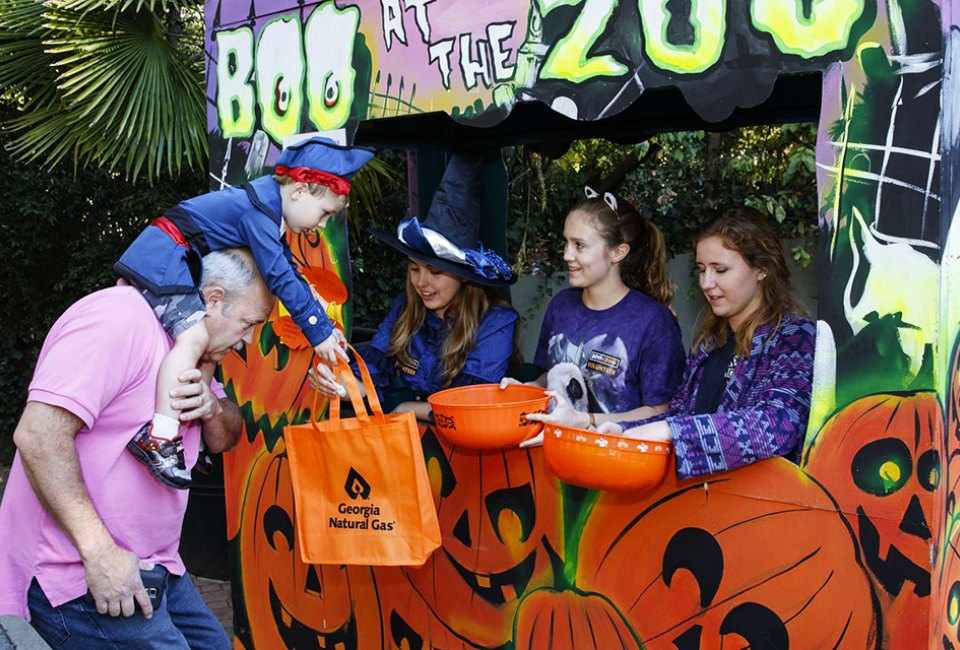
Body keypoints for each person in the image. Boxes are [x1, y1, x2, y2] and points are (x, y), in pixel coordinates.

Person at [0, 248, 273, 649]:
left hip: (156, 563)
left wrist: (213, 407)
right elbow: (39, 435)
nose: (249, 339)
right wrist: (100, 554)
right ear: (213, 300)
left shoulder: (193, 347)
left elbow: (226, 438)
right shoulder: (117, 319)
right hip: (80, 568)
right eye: (249, 323)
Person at [114, 137, 374, 488]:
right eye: (325, 213)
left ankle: (191, 441)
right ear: (299, 190)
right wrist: (318, 333)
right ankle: (160, 436)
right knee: (193, 339)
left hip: (180, 258)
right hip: (165, 256)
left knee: (208, 353)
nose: (323, 224)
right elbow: (278, 275)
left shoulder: (268, 206)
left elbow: (289, 270)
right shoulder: (261, 211)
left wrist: (324, 324)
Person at [596, 207, 817, 480]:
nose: (707, 283)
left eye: (720, 270)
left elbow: (779, 425)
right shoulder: (710, 341)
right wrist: (623, 430)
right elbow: (678, 415)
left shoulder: (795, 336)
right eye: (702, 270)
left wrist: (673, 433)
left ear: (762, 269)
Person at [316, 153, 520, 419]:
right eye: (414, 268)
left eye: (435, 272)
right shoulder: (407, 305)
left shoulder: (496, 322)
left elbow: (470, 403)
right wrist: (343, 386)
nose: (421, 282)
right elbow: (379, 360)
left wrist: (408, 409)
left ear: (465, 277)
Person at [504, 187, 686, 434]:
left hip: (617, 462)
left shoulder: (655, 323)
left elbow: (661, 411)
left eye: (579, 245)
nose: (567, 255)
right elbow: (553, 375)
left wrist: (585, 420)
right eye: (566, 242)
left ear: (617, 252)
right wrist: (527, 389)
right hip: (555, 457)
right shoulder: (561, 306)